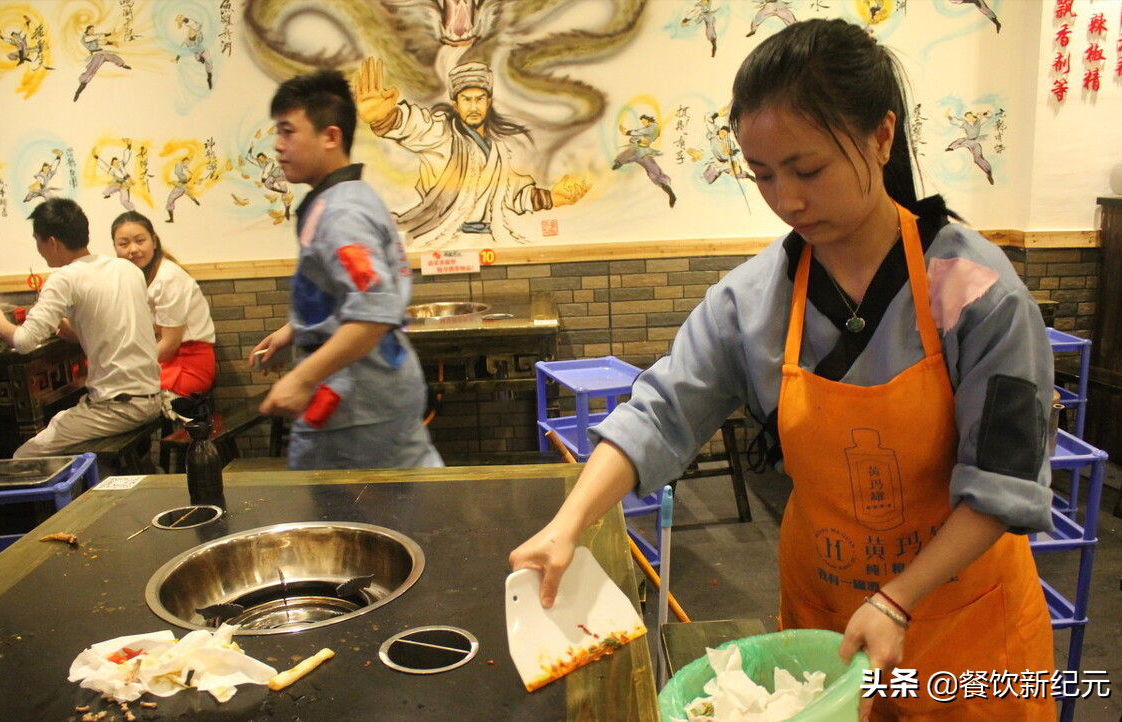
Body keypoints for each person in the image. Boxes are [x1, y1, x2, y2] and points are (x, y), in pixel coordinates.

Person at [510, 19, 1055, 722]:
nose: (785, 201)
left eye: (807, 170)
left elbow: (1002, 485)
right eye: (761, 175)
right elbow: (660, 412)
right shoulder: (752, 300)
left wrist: (896, 597)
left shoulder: (974, 292)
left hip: (965, 637)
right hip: (827, 627)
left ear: (880, 137)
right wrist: (570, 522)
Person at [249, 68, 443, 471]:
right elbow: (349, 292)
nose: (278, 146)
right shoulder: (347, 197)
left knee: (363, 520)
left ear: (330, 136)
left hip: (359, 398)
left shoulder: (341, 213)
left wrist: (301, 379)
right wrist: (293, 332)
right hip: (368, 384)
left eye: (288, 132)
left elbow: (372, 312)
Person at [0, 198, 160, 458]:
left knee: (24, 457)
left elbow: (25, 342)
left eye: (37, 240)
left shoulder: (64, 278)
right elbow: (117, 329)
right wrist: (75, 331)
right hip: (151, 399)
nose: (39, 248)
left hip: (117, 409)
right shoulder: (126, 269)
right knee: (64, 422)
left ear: (52, 242)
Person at [354, 57, 590, 248]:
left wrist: (551, 198)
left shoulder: (497, 149)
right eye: (466, 100)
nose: (474, 106)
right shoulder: (441, 134)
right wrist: (386, 117)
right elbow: (416, 126)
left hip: (489, 241)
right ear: (456, 105)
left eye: (480, 99)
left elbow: (510, 193)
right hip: (441, 238)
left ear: (489, 102)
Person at [111, 210, 216, 406]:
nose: (133, 249)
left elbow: (169, 345)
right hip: (162, 361)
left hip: (187, 364)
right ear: (116, 248)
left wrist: (130, 366)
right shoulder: (130, 276)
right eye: (124, 244)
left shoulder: (168, 277)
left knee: (120, 394)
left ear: (154, 241)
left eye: (140, 241)